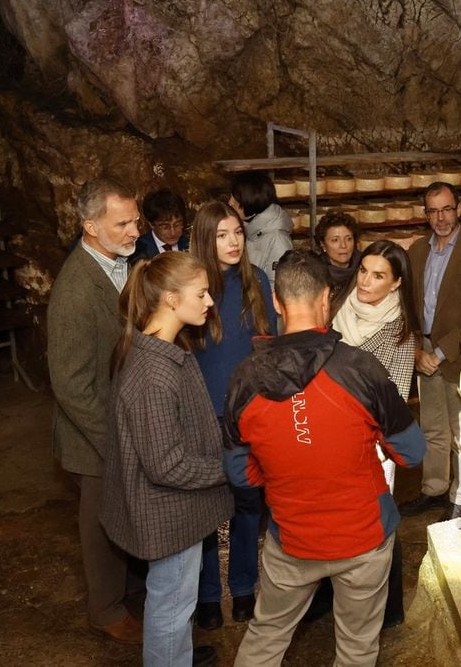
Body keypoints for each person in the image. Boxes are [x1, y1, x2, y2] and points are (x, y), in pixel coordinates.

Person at [224, 250, 426, 666]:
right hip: (362, 537)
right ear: (326, 299)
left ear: (277, 303)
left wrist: (289, 460)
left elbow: (240, 474)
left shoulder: (244, 379)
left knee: (266, 637)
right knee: (356, 648)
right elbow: (412, 452)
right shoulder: (360, 369)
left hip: (293, 538)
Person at [100, 251, 231, 667]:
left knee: (175, 603)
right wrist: (230, 467)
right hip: (168, 513)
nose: (210, 302)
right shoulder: (154, 373)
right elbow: (166, 465)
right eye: (202, 293)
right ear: (172, 299)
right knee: (171, 608)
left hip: (174, 510)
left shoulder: (157, 349)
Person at [47, 178, 142, 644]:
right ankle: (105, 610)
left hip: (120, 422)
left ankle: (129, 590)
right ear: (89, 226)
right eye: (121, 223)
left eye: (135, 220)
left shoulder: (118, 265)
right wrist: (114, 440)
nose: (134, 230)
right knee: (101, 523)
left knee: (126, 513)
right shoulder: (74, 290)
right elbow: (71, 385)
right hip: (95, 434)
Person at [316, 239, 417, 628]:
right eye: (363, 271)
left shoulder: (400, 332)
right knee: (329, 520)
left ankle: (385, 609)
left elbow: (394, 399)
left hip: (370, 445)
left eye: (379, 276)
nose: (366, 282)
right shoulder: (339, 307)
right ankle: (326, 595)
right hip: (328, 436)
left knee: (376, 527)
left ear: (395, 284)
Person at [189, 201, 277, 630]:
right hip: (204, 414)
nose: (233, 242)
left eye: (238, 233)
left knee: (247, 503)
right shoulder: (193, 286)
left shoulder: (256, 280)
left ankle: (243, 588)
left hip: (248, 416)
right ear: (206, 239)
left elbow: (269, 345)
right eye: (222, 235)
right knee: (207, 507)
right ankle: (207, 595)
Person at [403, 182, 461, 521]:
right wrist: (417, 348)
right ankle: (433, 488)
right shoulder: (418, 251)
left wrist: (441, 352)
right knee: (432, 426)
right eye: (433, 211)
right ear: (425, 214)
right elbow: (408, 305)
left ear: (459, 207)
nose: (440, 217)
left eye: (446, 209)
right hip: (425, 347)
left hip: (458, 353)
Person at [228, 172, 292, 294]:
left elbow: (279, 289)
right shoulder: (249, 229)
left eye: (234, 197)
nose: (230, 202)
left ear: (250, 198)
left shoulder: (277, 239)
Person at [313, 211, 360, 303]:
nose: (343, 245)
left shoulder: (365, 267)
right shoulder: (314, 273)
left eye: (348, 239)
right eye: (335, 240)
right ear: (323, 245)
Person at [131, 189, 191, 261]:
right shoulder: (137, 250)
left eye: (177, 224)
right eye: (165, 227)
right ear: (151, 224)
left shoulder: (190, 243)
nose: (173, 232)